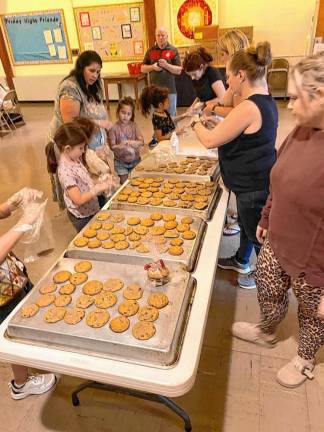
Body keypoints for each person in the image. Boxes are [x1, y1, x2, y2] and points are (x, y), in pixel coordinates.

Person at [232, 52, 324, 388]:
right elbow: (279, 176)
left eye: (297, 97)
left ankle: (304, 357)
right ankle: (267, 330)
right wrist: (268, 215)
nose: (289, 105)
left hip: (314, 262)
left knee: (313, 315)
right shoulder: (301, 130)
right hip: (277, 240)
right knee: (267, 289)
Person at [191, 42, 278, 290]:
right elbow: (239, 135)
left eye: (229, 76)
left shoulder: (248, 106)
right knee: (248, 226)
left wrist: (196, 122)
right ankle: (241, 259)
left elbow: (209, 141)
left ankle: (264, 281)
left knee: (258, 236)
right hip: (256, 180)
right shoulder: (264, 98)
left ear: (241, 75)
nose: (228, 82)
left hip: (252, 186)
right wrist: (216, 126)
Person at [0, 189, 56, 400]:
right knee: (13, 334)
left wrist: (11, 203)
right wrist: (24, 222)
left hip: (11, 278)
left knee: (27, 317)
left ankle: (33, 355)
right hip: (2, 295)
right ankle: (21, 384)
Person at [48, 50, 113, 209]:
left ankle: (99, 204)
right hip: (75, 141)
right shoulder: (70, 87)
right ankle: (86, 211)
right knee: (81, 181)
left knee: (99, 177)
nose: (95, 75)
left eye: (98, 71)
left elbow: (97, 108)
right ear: (81, 68)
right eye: (91, 70)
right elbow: (71, 122)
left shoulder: (93, 85)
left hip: (90, 141)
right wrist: (99, 123)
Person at [45, 118, 112, 232]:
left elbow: (84, 181)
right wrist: (97, 188)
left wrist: (99, 182)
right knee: (89, 237)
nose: (83, 151)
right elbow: (78, 199)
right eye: (81, 148)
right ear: (67, 149)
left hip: (91, 208)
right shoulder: (66, 172)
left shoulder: (74, 159)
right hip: (82, 216)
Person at [141, 27, 182, 118]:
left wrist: (166, 65)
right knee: (156, 117)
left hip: (170, 91)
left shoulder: (173, 50)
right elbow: (142, 68)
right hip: (154, 92)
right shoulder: (150, 51)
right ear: (155, 37)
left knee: (171, 117)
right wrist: (152, 67)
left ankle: (172, 133)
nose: (160, 37)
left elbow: (179, 70)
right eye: (158, 35)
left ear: (167, 36)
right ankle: (158, 133)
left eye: (163, 35)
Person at [108, 97, 144, 184]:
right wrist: (119, 146)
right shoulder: (113, 128)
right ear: (118, 112)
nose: (125, 116)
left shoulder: (134, 126)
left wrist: (131, 142)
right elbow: (112, 147)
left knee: (137, 182)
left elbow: (142, 142)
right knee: (125, 185)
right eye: (123, 112)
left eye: (129, 114)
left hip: (135, 160)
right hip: (120, 163)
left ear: (132, 115)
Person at [183, 47, 226, 114]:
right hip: (206, 111)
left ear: (201, 67)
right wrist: (192, 106)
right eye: (190, 75)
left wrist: (203, 104)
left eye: (194, 74)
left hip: (217, 111)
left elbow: (223, 98)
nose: (192, 78)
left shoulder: (212, 72)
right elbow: (200, 96)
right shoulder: (196, 77)